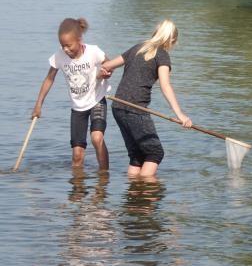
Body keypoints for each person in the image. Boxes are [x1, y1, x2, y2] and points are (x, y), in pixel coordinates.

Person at [102, 20, 192, 178]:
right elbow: (165, 86)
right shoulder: (162, 55)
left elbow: (108, 66)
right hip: (136, 109)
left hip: (118, 106)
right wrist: (180, 114)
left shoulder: (137, 48)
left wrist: (103, 71)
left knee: (137, 156)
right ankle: (145, 196)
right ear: (172, 40)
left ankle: (133, 197)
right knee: (155, 153)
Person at [31, 18, 111, 169]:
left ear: (79, 40)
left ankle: (103, 179)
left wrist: (106, 72)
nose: (66, 49)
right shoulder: (59, 56)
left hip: (96, 100)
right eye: (63, 46)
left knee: (96, 137)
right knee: (77, 154)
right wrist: (38, 105)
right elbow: (49, 79)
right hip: (78, 107)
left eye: (69, 45)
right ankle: (77, 189)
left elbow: (109, 64)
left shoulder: (93, 51)